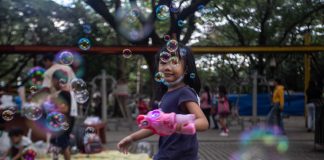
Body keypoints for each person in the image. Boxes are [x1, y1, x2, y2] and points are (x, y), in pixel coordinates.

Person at [117, 44, 209, 160]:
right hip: (166, 154)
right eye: (163, 62)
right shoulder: (166, 96)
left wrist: (180, 124)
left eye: (174, 62)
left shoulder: (184, 92)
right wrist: (132, 137)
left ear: (185, 69)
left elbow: (203, 122)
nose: (167, 67)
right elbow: (155, 125)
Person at [49, 69, 75, 160]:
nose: (51, 83)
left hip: (63, 123)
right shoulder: (63, 93)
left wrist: (53, 106)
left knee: (64, 146)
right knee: (55, 144)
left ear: (57, 80)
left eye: (52, 80)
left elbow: (64, 109)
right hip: (60, 122)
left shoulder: (63, 94)